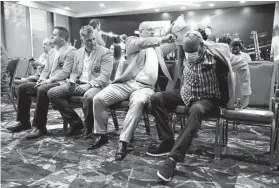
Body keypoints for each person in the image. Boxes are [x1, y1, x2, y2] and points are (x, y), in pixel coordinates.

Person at [148, 30, 235, 182]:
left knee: (196, 110)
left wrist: (228, 101)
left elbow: (229, 64)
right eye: (187, 52)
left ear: (201, 46)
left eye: (193, 52)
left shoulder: (215, 59)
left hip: (207, 98)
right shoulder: (185, 54)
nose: (190, 55)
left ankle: (173, 159)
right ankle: (167, 141)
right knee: (156, 98)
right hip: (186, 94)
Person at [88, 21, 177, 161]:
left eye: (155, 30)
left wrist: (175, 29)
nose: (154, 32)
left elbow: (173, 43)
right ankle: (101, 134)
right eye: (150, 29)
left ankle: (123, 141)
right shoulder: (132, 41)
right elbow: (143, 43)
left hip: (145, 88)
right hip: (128, 83)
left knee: (138, 102)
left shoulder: (157, 48)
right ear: (140, 31)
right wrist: (162, 38)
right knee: (98, 99)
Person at [7, 26, 76, 139]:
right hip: (48, 81)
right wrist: (41, 79)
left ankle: (40, 127)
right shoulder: (52, 52)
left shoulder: (71, 51)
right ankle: (23, 122)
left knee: (42, 89)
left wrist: (48, 80)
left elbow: (65, 72)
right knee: (22, 88)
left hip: (61, 82)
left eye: (54, 35)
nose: (51, 37)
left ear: (62, 37)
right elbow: (46, 70)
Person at [47, 25, 113, 136]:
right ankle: (76, 123)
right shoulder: (78, 52)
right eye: (88, 40)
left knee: (88, 96)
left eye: (93, 39)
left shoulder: (105, 52)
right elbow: (75, 71)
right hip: (79, 83)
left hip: (96, 85)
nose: (92, 42)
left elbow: (105, 76)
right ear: (82, 40)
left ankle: (88, 129)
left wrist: (89, 85)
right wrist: (72, 80)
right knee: (52, 93)